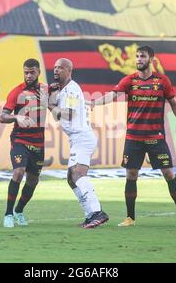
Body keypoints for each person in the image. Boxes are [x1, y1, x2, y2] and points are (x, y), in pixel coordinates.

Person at [90, 45, 176, 229]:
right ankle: (130, 218)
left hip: (156, 137)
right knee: (131, 174)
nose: (139, 59)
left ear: (151, 59)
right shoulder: (129, 80)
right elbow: (112, 96)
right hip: (134, 137)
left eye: (142, 56)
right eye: (137, 56)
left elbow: (174, 104)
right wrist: (94, 103)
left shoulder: (162, 81)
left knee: (169, 173)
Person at [48, 58, 109, 229]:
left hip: (82, 137)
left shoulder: (73, 89)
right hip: (76, 139)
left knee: (78, 175)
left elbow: (68, 113)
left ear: (69, 70)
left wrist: (51, 106)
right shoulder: (62, 91)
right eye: (54, 67)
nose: (56, 70)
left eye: (60, 67)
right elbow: (55, 113)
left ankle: (98, 212)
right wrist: (51, 99)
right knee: (71, 178)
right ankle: (90, 215)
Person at [0, 58, 47, 228]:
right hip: (20, 139)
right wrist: (16, 116)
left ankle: (19, 211)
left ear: (38, 72)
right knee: (18, 172)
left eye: (32, 72)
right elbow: (3, 116)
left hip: (39, 143)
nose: (28, 75)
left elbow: (58, 113)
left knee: (33, 180)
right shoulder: (16, 92)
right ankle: (8, 214)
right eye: (26, 72)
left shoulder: (45, 91)